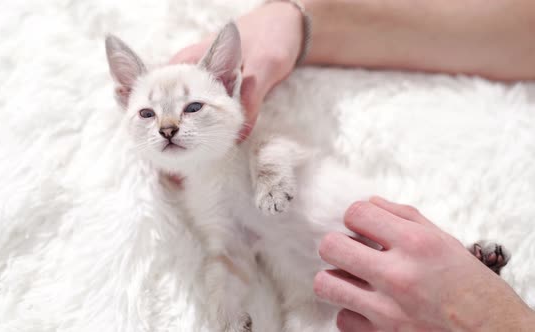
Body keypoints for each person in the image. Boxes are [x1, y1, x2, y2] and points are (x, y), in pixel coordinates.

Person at [170, 0, 535, 330]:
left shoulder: (251, 142)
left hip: (359, 250)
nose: (168, 127)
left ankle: (471, 263)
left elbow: (279, 150)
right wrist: (295, 20)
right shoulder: (199, 191)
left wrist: (490, 316)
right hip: (317, 289)